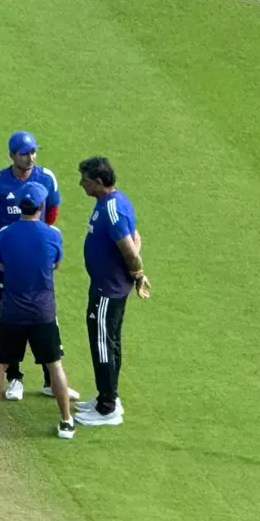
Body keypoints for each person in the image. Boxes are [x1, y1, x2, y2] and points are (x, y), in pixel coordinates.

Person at [0, 190, 76, 440]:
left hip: (13, 311)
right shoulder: (53, 234)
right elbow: (56, 264)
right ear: (41, 205)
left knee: (0, 364)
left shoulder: (5, 234)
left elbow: (2, 264)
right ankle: (66, 422)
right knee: (54, 364)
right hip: (43, 311)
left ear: (20, 206)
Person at [0, 131, 74, 402]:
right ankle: (15, 378)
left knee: (46, 316)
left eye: (33, 152)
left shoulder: (47, 178)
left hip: (37, 265)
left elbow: (52, 212)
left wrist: (37, 240)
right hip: (7, 263)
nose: (30, 158)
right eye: (23, 153)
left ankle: (49, 380)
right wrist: (5, 240)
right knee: (10, 319)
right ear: (12, 155)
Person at [73, 156, 151, 427]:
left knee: (104, 346)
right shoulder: (113, 202)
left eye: (84, 179)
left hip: (108, 291)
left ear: (97, 182)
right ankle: (106, 398)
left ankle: (107, 408)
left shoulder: (112, 210)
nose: (80, 183)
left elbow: (130, 248)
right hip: (106, 286)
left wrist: (138, 274)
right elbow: (136, 236)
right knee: (109, 342)